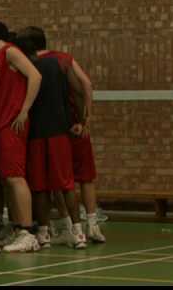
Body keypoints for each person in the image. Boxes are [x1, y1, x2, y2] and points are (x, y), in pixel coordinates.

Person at [19, 26, 106, 244]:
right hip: (63, 130)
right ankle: (81, 230)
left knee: (40, 186)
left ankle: (45, 232)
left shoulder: (24, 67)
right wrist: (82, 120)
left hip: (38, 132)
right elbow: (81, 87)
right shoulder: (61, 61)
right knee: (70, 182)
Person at [0, 21, 41, 253]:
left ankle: (28, 232)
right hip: (0, 125)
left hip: (12, 124)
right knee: (8, 180)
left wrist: (24, 109)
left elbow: (35, 76)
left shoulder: (10, 51)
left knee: (16, 178)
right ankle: (18, 228)